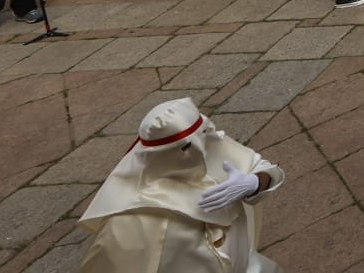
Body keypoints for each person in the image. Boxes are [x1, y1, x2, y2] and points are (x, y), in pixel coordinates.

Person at [76, 97, 285, 273]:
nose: (202, 150)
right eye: (186, 147)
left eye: (203, 135)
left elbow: (264, 168)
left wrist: (254, 182)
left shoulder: (211, 146)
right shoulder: (131, 219)